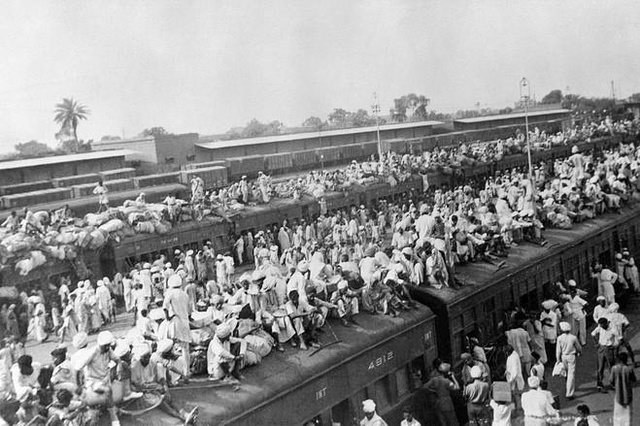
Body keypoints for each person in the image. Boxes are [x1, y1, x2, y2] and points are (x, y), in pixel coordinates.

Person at [163, 275, 192, 378]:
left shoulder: (170, 293)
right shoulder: (184, 294)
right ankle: (186, 371)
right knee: (185, 349)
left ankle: (173, 372)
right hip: (185, 322)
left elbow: (165, 307)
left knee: (171, 346)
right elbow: (189, 311)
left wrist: (167, 318)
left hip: (175, 321)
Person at [556, 321, 581, 400]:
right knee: (571, 374)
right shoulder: (573, 337)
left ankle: (569, 386)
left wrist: (558, 359)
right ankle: (569, 393)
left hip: (563, 356)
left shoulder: (560, 338)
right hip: (571, 356)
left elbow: (558, 350)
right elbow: (579, 347)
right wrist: (579, 352)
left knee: (566, 373)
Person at [591, 317, 617, 392]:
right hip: (601, 348)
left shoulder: (612, 329)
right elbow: (593, 334)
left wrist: (614, 346)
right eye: (601, 326)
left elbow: (617, 338)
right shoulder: (599, 328)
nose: (602, 327)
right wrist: (596, 343)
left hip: (609, 348)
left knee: (611, 366)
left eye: (603, 325)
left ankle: (613, 383)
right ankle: (599, 384)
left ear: (607, 323)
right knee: (600, 367)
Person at [611, 352, 636, 426]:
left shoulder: (614, 368)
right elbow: (634, 380)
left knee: (617, 416)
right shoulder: (629, 369)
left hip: (618, 395)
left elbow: (611, 381)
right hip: (628, 395)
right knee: (627, 417)